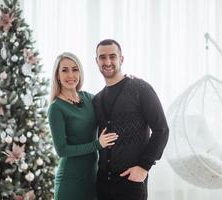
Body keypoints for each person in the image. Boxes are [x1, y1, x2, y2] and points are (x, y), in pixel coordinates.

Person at [92, 39, 169, 200]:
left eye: (112, 56)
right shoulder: (97, 99)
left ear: (121, 59)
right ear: (97, 61)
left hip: (131, 182)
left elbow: (161, 129)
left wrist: (144, 167)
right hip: (103, 184)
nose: (107, 62)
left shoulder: (140, 88)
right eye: (102, 57)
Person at [48, 52, 118, 200]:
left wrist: (129, 81)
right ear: (57, 75)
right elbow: (62, 150)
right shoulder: (56, 108)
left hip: (92, 177)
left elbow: (112, 102)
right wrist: (97, 144)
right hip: (70, 181)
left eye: (75, 69)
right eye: (64, 70)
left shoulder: (88, 98)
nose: (70, 75)